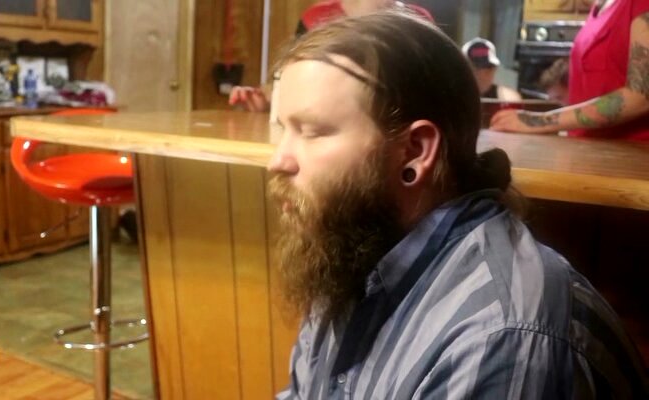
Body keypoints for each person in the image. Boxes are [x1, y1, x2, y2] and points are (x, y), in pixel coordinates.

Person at [268, 10, 648, 399]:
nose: (277, 161)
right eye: (284, 129)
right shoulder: (350, 247)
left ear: (415, 151)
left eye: (312, 131)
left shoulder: (499, 338)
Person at [228, 0, 433, 112]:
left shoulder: (420, 20)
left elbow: (431, 93)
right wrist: (268, 101)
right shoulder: (316, 18)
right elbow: (289, 83)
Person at [491, 0, 649, 140]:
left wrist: (537, 121)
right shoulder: (599, 7)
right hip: (591, 151)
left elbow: (641, 96)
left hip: (629, 152)